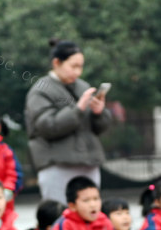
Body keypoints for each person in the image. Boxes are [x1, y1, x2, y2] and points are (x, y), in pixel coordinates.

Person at [25, 39, 112, 203]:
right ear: (56, 63)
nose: (78, 72)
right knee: (59, 215)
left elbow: (99, 128)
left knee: (90, 216)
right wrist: (77, 110)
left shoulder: (82, 86)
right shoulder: (40, 89)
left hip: (88, 163)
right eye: (73, 66)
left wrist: (99, 113)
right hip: (57, 164)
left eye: (80, 66)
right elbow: (47, 127)